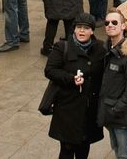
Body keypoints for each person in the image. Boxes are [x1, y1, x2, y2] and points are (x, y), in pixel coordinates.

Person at [45, 11, 107, 159]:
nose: (81, 31)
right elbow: (50, 70)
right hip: (67, 109)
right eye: (79, 27)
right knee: (66, 150)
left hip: (89, 109)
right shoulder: (62, 47)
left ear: (92, 31)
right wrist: (71, 78)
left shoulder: (100, 48)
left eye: (86, 28)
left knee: (83, 149)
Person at [100, 10, 127, 159]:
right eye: (107, 23)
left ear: (123, 26)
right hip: (111, 113)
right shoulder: (108, 49)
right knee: (118, 149)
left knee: (126, 154)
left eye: (114, 22)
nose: (110, 25)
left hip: (122, 116)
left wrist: (116, 108)